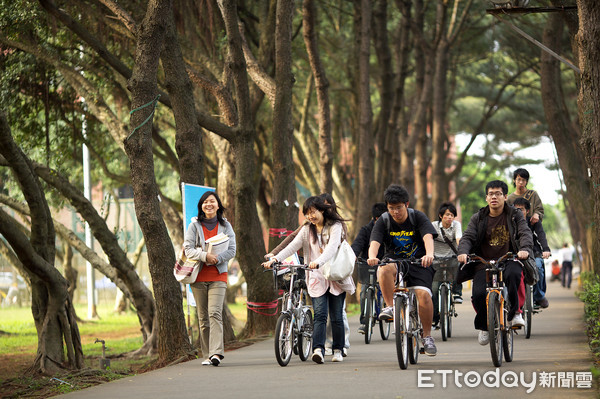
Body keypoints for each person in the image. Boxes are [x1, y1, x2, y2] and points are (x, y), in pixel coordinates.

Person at [262, 196, 355, 364]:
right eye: (307, 214)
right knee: (319, 314)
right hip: (316, 278)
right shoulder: (307, 230)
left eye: (313, 212)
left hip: (335, 275)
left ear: (322, 210)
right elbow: (292, 246)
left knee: (336, 316)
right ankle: (318, 349)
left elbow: (332, 248)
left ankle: (338, 349)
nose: (311, 216)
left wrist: (318, 262)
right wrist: (275, 259)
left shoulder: (336, 226)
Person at [457, 180, 533, 346]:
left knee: (514, 275)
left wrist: (525, 249)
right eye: (491, 194)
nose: (494, 197)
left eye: (498, 194)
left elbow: (524, 232)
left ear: (505, 197)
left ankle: (515, 314)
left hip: (509, 259)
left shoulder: (514, 215)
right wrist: (463, 252)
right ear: (486, 198)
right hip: (483, 263)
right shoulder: (478, 217)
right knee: (478, 295)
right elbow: (468, 236)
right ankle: (485, 326)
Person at [367, 184, 438, 356]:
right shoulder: (384, 220)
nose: (395, 212)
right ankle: (391, 306)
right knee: (383, 269)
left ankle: (427, 336)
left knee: (424, 296)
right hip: (396, 262)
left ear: (406, 204)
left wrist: (429, 254)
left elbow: (428, 236)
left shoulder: (417, 217)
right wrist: (372, 256)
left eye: (399, 207)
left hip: (419, 262)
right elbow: (374, 243)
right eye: (392, 208)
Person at [183, 191, 237, 366]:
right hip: (198, 276)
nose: (209, 204)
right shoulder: (194, 226)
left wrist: (217, 259)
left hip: (218, 276)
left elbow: (232, 250)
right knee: (203, 318)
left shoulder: (226, 226)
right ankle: (207, 354)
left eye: (212, 201)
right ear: (201, 206)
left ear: (218, 205)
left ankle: (216, 353)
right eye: (205, 202)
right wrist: (206, 256)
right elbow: (188, 249)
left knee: (214, 312)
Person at [351, 202, 387, 334]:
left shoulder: (389, 229)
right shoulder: (366, 230)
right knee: (365, 291)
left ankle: (386, 309)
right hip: (367, 263)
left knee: (385, 289)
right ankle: (364, 322)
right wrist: (353, 255)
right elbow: (357, 244)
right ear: (376, 219)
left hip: (384, 263)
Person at [513, 198, 551, 308]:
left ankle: (539, 296)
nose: (518, 212)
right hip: (515, 253)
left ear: (528, 211)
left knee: (538, 268)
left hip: (534, 253)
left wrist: (546, 249)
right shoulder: (509, 222)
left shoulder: (533, 222)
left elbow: (541, 235)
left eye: (521, 209)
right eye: (516, 209)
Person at [431, 202, 462, 329]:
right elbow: (428, 239)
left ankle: (457, 293)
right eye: (447, 215)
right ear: (440, 216)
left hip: (452, 257)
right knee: (433, 289)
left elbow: (459, 239)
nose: (450, 218)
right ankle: (435, 317)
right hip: (435, 258)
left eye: (452, 215)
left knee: (459, 266)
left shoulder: (456, 225)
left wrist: (462, 252)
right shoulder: (433, 226)